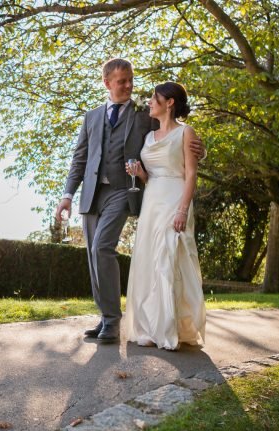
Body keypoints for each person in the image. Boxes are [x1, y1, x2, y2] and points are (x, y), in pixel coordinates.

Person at [55, 59, 204, 343]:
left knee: (102, 247)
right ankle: (105, 316)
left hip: (125, 191)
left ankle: (113, 322)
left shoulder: (142, 115)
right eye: (122, 81)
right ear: (107, 83)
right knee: (93, 257)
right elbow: (80, 158)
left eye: (130, 80)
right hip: (92, 194)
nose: (128, 85)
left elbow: (173, 133)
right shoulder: (92, 117)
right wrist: (67, 195)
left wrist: (201, 149)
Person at [124, 82, 206, 350]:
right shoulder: (149, 138)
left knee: (170, 258)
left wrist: (183, 208)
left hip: (175, 198)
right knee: (150, 260)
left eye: (154, 97)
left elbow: (191, 174)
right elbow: (151, 177)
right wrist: (139, 174)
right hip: (152, 201)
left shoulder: (186, 133)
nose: (149, 101)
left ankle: (170, 329)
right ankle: (149, 326)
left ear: (169, 102)